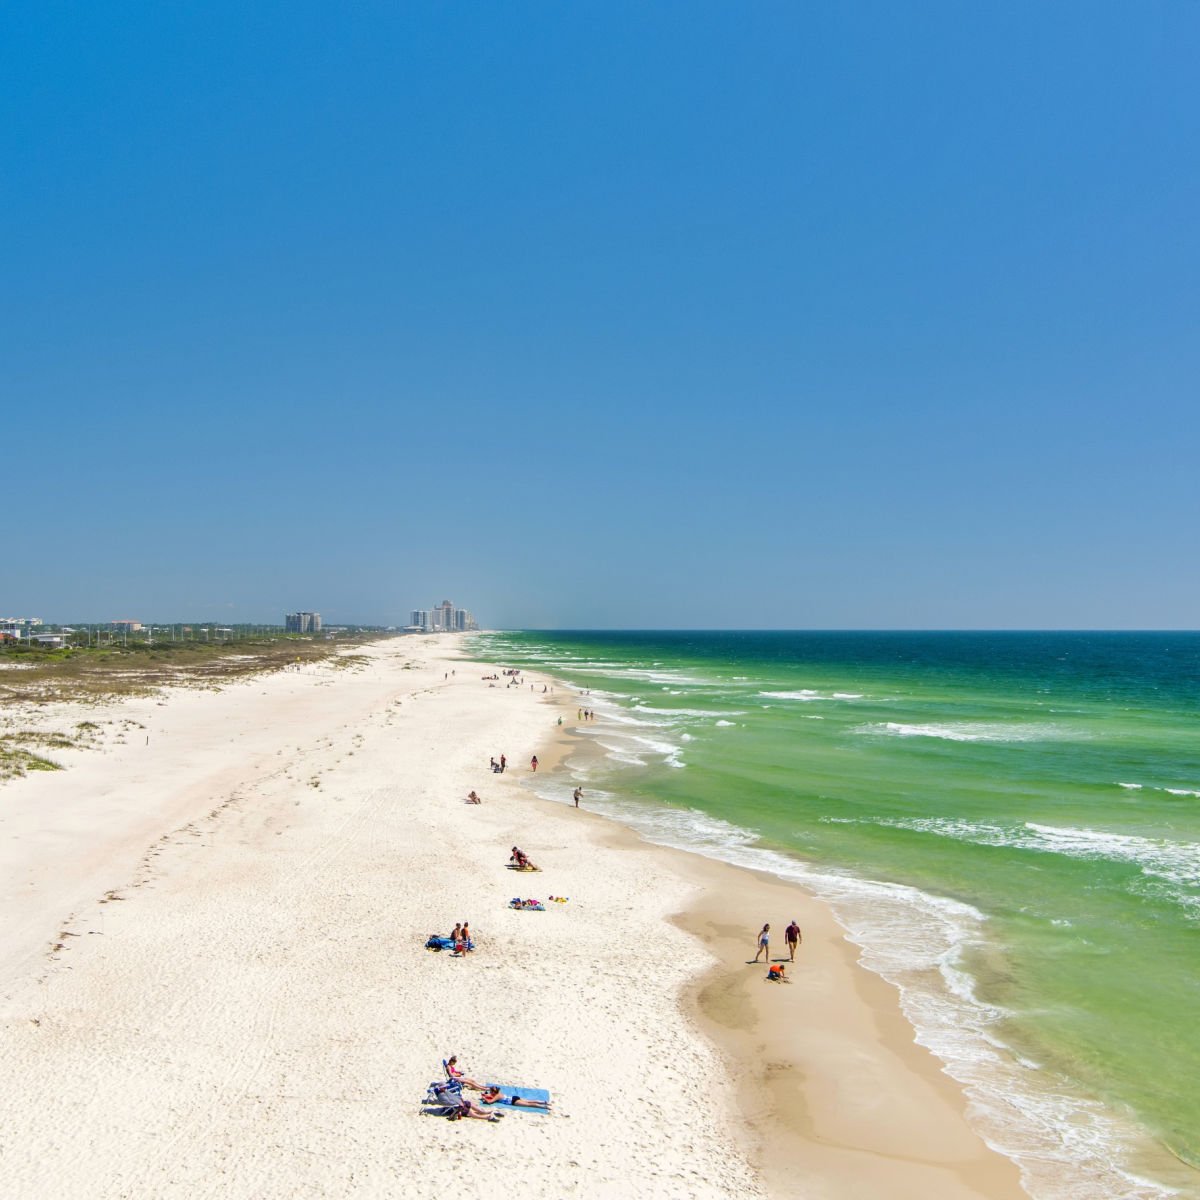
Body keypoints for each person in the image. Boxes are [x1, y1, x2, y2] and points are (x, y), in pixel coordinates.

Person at [480, 1086, 551, 1111]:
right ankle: (545, 1102)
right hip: (514, 1097)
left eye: (491, 1092)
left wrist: (484, 1098)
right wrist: (486, 1095)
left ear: (493, 1092)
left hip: (513, 1101)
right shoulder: (499, 1093)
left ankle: (545, 1107)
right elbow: (490, 1096)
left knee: (529, 1104)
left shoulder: (497, 1096)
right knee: (530, 1101)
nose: (490, 1093)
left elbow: (490, 1102)